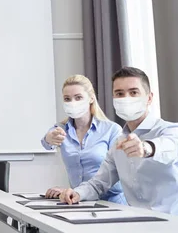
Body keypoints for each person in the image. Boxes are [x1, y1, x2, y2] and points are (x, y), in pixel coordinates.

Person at [60, 67, 178, 219]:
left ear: (149, 98)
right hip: (140, 222)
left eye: (134, 92)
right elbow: (99, 183)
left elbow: (170, 146)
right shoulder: (118, 143)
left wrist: (146, 148)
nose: (126, 98)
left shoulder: (173, 130)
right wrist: (77, 193)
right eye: (119, 94)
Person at [41, 75, 126, 205]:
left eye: (78, 97)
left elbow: (119, 171)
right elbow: (46, 142)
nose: (72, 103)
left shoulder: (111, 130)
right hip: (80, 202)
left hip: (112, 202)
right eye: (67, 99)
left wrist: (79, 192)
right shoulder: (62, 129)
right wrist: (49, 138)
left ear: (91, 98)